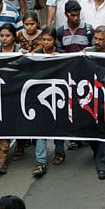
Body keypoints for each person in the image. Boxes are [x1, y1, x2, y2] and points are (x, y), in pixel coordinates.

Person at [0, 23, 22, 174]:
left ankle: (21, 146)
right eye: (1, 35)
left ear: (14, 36)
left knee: (17, 123)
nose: (4, 39)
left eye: (7, 35)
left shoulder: (20, 51)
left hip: (17, 93)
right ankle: (0, 161)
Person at [32, 27, 65, 176]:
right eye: (43, 40)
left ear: (55, 41)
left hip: (58, 95)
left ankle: (59, 152)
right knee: (41, 129)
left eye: (49, 40)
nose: (46, 43)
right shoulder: (36, 55)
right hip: (40, 97)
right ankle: (41, 162)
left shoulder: (63, 55)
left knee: (58, 125)